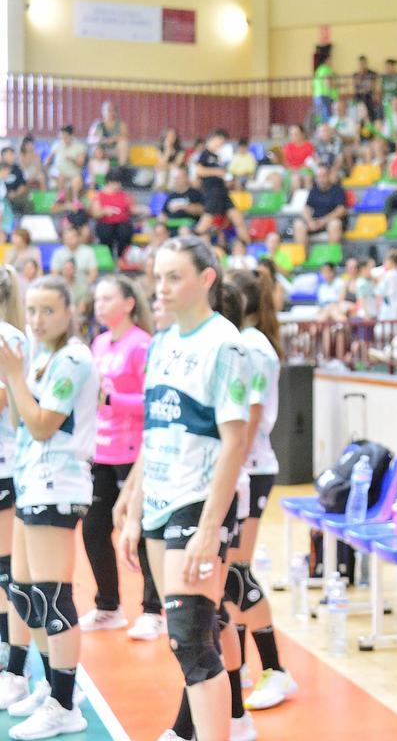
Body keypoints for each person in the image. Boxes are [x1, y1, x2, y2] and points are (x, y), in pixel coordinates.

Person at [116, 237, 250, 741]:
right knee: (193, 633)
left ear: (206, 279)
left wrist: (209, 530)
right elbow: (154, 433)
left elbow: (236, 443)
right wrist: (131, 509)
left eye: (174, 277)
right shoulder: (161, 343)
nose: (161, 288)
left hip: (197, 502)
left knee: (190, 639)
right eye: (157, 278)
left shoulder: (226, 343)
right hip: (156, 502)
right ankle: (190, 727)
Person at [0, 275, 97, 738]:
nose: (37, 320)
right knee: (24, 591)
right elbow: (20, 417)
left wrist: (15, 376)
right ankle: (53, 687)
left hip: (59, 484)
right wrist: (18, 376)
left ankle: (65, 702)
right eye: (32, 310)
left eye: (48, 311)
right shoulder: (42, 358)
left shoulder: (74, 358)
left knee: (54, 597)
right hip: (31, 481)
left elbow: (41, 426)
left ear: (68, 312)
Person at [221, 269, 296, 713]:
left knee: (237, 573)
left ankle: (275, 670)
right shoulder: (252, 341)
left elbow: (247, 421)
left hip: (250, 468)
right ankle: (250, 663)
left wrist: (232, 471)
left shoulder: (250, 345)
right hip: (248, 466)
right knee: (233, 574)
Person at [81, 277, 161, 639]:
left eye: (107, 298)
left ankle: (154, 611)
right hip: (102, 451)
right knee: (95, 527)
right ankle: (108, 606)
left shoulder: (142, 345)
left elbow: (151, 403)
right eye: (97, 299)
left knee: (140, 531)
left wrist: (111, 401)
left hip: (135, 455)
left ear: (129, 303)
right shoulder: (98, 343)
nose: (100, 305)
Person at [0, 267, 25, 700]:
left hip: (7, 463)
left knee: (7, 567)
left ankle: (10, 650)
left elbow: (10, 397)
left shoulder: (11, 337)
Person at [194, 129, 250, 245]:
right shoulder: (205, 154)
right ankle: (192, 244)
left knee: (238, 220)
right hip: (212, 193)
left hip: (223, 192)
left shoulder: (218, 157)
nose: (222, 144)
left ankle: (247, 246)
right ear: (215, 138)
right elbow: (199, 171)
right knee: (205, 222)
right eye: (221, 141)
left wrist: (227, 180)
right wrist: (217, 172)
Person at [295, 164, 348, 249]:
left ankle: (332, 258)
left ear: (329, 176)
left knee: (335, 224)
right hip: (315, 222)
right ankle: (301, 258)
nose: (321, 179)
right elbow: (307, 208)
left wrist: (322, 221)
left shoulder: (338, 190)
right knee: (298, 224)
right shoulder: (314, 191)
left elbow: (341, 210)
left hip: (329, 222)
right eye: (318, 177)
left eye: (323, 176)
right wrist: (310, 222)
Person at [89, 174, 137, 259]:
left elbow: (132, 209)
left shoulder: (125, 195)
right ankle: (108, 257)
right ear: (109, 183)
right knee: (106, 232)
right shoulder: (99, 195)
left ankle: (122, 257)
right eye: (116, 183)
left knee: (125, 231)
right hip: (105, 223)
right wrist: (104, 211)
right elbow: (95, 214)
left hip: (122, 223)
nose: (118, 185)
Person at [87, 101, 130, 167]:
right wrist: (102, 140)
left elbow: (125, 137)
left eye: (113, 110)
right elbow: (90, 139)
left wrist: (112, 139)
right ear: (103, 111)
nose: (111, 112)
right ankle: (98, 171)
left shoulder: (121, 124)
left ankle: (122, 168)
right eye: (108, 110)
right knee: (96, 148)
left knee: (124, 143)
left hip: (114, 150)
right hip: (102, 149)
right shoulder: (98, 124)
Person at [47, 126, 87, 190]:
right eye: (61, 137)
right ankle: (61, 195)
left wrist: (73, 159)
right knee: (60, 176)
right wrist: (46, 166)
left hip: (73, 173)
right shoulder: (57, 145)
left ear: (71, 136)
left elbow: (81, 163)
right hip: (59, 172)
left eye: (65, 137)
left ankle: (74, 198)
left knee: (76, 179)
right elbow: (49, 159)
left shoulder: (79, 147)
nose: (63, 139)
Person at [312, 47, 338, 124]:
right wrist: (342, 85)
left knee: (322, 118)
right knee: (328, 119)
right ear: (327, 60)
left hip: (318, 97)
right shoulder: (326, 69)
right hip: (326, 97)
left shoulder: (319, 70)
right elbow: (328, 84)